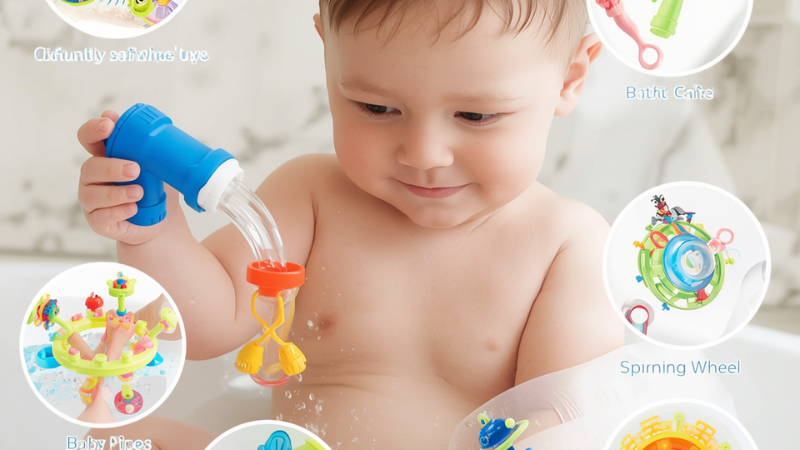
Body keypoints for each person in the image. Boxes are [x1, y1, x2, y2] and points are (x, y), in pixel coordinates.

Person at [75, 0, 621, 447]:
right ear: (329, 58)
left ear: (570, 78)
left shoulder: (567, 246)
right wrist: (152, 230)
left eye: (475, 116)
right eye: (375, 108)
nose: (424, 153)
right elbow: (206, 324)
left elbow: (570, 422)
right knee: (116, 437)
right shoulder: (311, 196)